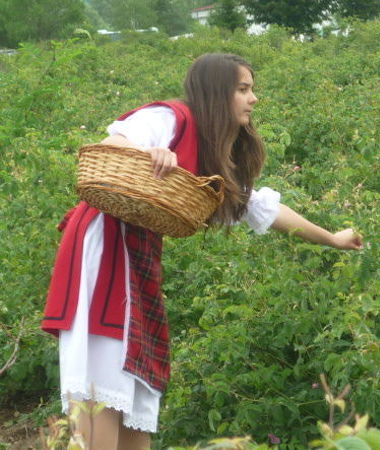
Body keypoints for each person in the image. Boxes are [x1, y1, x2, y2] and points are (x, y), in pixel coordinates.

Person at [42, 53, 363, 450]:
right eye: (243, 89)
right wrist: (150, 155)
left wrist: (331, 238)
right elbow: (113, 144)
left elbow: (263, 208)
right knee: (103, 373)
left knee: (134, 386)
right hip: (104, 247)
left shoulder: (212, 153)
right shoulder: (170, 118)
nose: (253, 99)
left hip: (138, 254)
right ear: (216, 93)